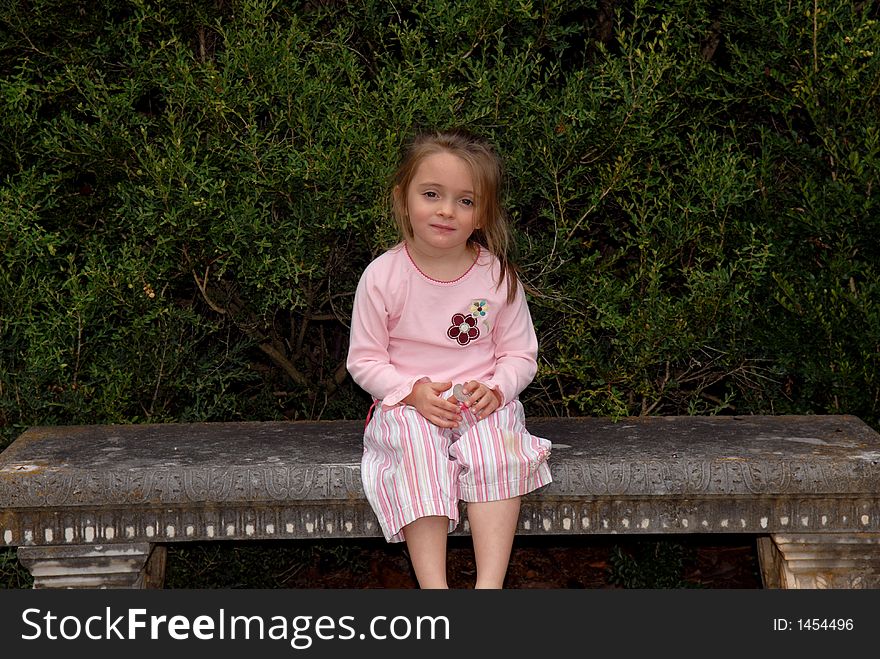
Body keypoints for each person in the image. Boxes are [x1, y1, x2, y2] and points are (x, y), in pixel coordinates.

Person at [346, 128, 552, 589]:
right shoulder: (383, 276)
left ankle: (489, 586)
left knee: (498, 450)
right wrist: (410, 393)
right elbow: (365, 360)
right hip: (410, 407)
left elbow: (520, 354)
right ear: (403, 199)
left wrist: (498, 389)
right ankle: (434, 588)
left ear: (483, 214)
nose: (446, 210)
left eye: (465, 200)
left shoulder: (496, 277)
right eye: (432, 194)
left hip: (481, 404)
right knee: (417, 454)